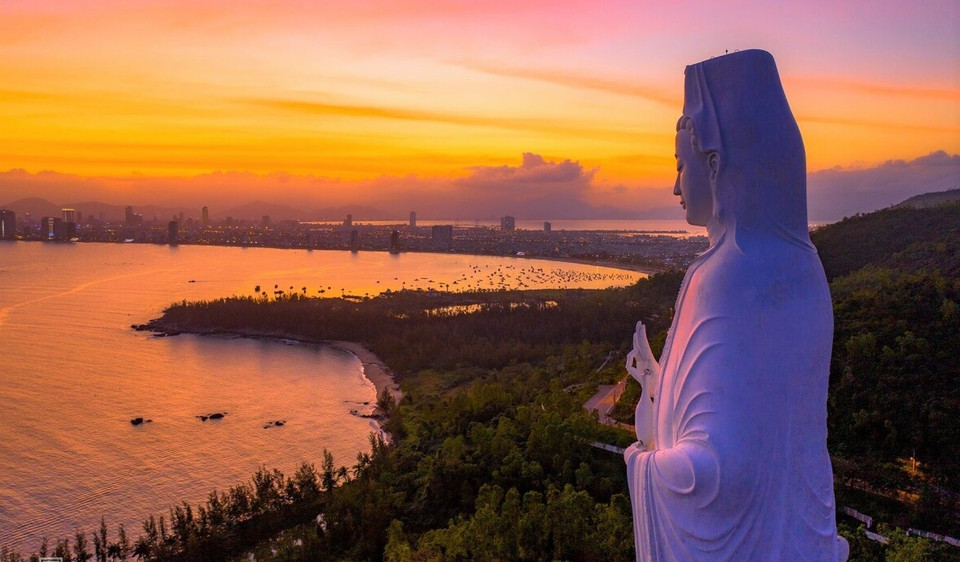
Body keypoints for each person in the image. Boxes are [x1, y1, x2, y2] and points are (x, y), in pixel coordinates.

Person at [624, 49, 848, 561]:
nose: (675, 185)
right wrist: (660, 386)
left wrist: (643, 464)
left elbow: (723, 475)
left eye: (682, 166)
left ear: (716, 163)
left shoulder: (724, 278)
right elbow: (763, 423)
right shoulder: (804, 269)